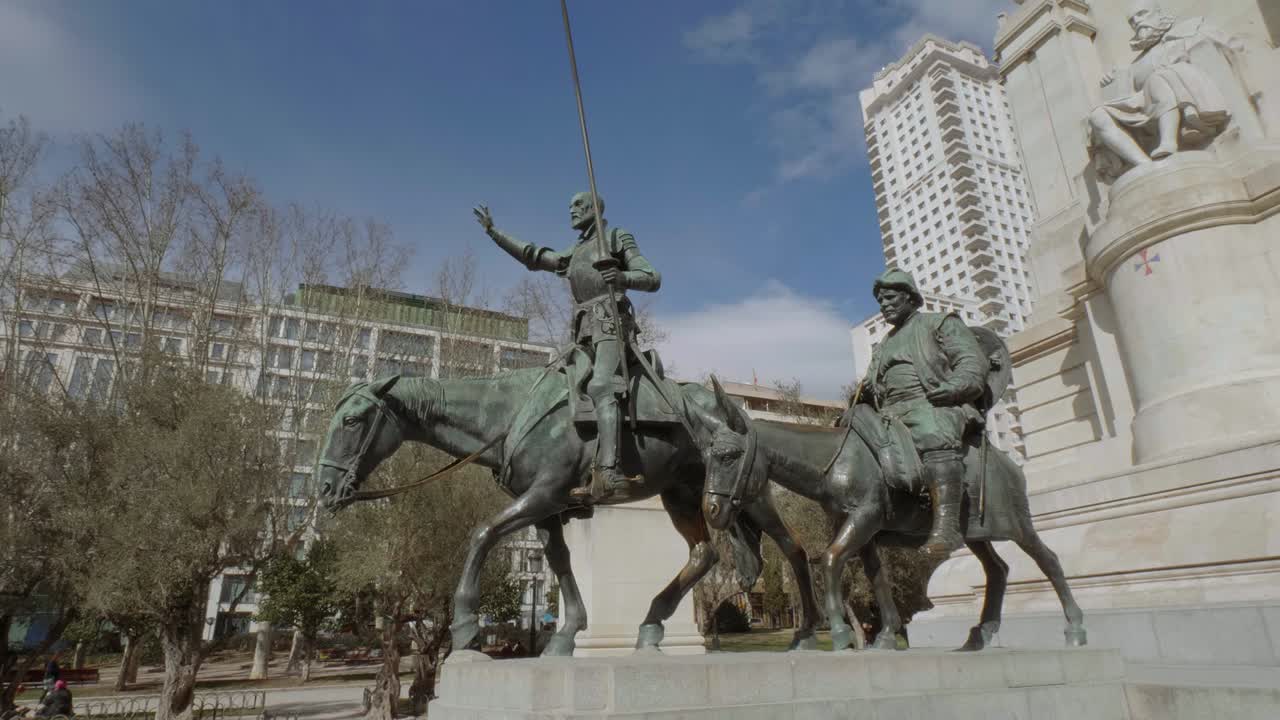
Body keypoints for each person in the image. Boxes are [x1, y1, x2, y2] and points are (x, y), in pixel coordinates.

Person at [474, 192, 661, 502]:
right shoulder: (576, 250)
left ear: (594, 207)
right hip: (583, 331)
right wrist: (496, 234)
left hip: (611, 323)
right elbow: (536, 257)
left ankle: (610, 472)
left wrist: (623, 276)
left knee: (602, 384)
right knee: (553, 388)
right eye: (570, 206)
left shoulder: (616, 236)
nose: (571, 210)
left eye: (578, 205)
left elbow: (652, 277)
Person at [856, 269, 989, 556]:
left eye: (890, 298)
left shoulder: (939, 323)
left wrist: (953, 388)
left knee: (932, 433)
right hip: (891, 413)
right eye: (881, 301)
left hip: (933, 404)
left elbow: (971, 362)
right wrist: (867, 388)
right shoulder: (883, 346)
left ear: (910, 297)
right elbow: (874, 384)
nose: (884, 305)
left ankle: (947, 527)